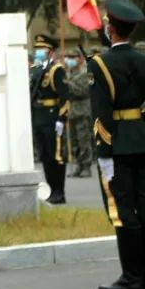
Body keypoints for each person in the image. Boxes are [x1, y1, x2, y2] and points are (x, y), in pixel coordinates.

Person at [89, 0, 145, 289]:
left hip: (117, 148)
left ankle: (131, 277)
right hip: (141, 142)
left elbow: (101, 114)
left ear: (110, 29)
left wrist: (103, 154)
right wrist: (139, 122)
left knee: (123, 211)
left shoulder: (99, 64)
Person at [29, 34, 69, 204]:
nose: (39, 52)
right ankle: (52, 190)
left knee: (56, 156)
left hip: (53, 118)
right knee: (45, 156)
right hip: (39, 117)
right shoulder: (37, 70)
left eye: (42, 49)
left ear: (51, 51)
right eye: (37, 48)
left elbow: (65, 97)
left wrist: (61, 119)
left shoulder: (57, 70)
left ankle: (59, 191)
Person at [64, 49, 92, 177]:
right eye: (68, 57)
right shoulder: (68, 72)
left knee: (83, 139)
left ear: (80, 59)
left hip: (82, 109)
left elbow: (83, 91)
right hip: (71, 109)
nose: (69, 59)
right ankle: (78, 165)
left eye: (73, 57)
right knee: (74, 141)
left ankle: (86, 166)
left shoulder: (86, 72)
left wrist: (68, 84)